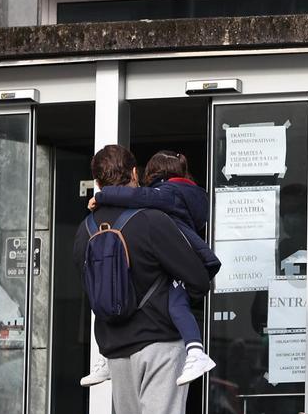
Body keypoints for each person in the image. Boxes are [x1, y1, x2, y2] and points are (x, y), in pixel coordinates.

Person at [74, 144, 212, 414]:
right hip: (161, 350)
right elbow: (198, 277)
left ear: (97, 182)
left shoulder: (85, 229)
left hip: (117, 356)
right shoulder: (151, 222)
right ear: (134, 173)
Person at [80, 150, 220, 387]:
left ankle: (196, 351)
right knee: (176, 302)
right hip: (158, 337)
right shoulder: (185, 197)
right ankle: (194, 350)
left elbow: (140, 198)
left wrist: (102, 197)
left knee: (105, 295)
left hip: (123, 346)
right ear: (134, 172)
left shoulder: (165, 195)